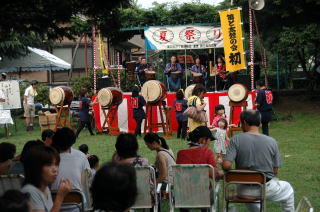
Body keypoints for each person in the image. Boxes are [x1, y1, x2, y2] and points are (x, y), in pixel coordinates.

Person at [222, 110, 295, 212]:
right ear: (260, 123)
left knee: (252, 200)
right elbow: (275, 172)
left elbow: (226, 166)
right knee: (288, 189)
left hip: (243, 190)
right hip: (266, 188)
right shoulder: (272, 141)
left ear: (245, 123)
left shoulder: (235, 139)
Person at [21, 145, 72, 212]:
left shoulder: (45, 188)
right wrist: (60, 197)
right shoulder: (30, 191)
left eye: (56, 164)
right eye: (49, 165)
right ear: (35, 167)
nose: (55, 169)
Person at [51, 127, 90, 207]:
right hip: (78, 204)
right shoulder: (81, 156)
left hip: (53, 205)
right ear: (72, 141)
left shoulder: (48, 158)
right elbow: (83, 183)